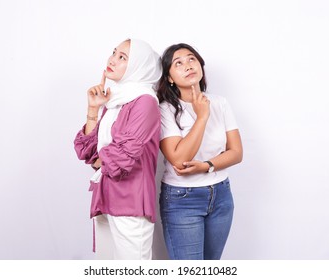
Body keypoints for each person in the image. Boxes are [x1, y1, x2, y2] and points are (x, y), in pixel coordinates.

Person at [74, 38, 162, 260]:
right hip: (106, 196)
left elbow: (122, 157)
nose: (112, 59)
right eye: (114, 53)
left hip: (131, 200)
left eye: (122, 57)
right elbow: (89, 152)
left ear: (138, 67)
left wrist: (99, 161)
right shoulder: (115, 102)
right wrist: (93, 109)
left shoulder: (145, 102)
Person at [156, 43, 243, 260]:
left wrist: (207, 166)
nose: (187, 65)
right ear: (169, 78)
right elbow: (178, 159)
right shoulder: (164, 109)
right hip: (182, 199)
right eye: (178, 63)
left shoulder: (220, 103)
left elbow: (236, 152)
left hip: (221, 194)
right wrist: (202, 117)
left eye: (191, 59)